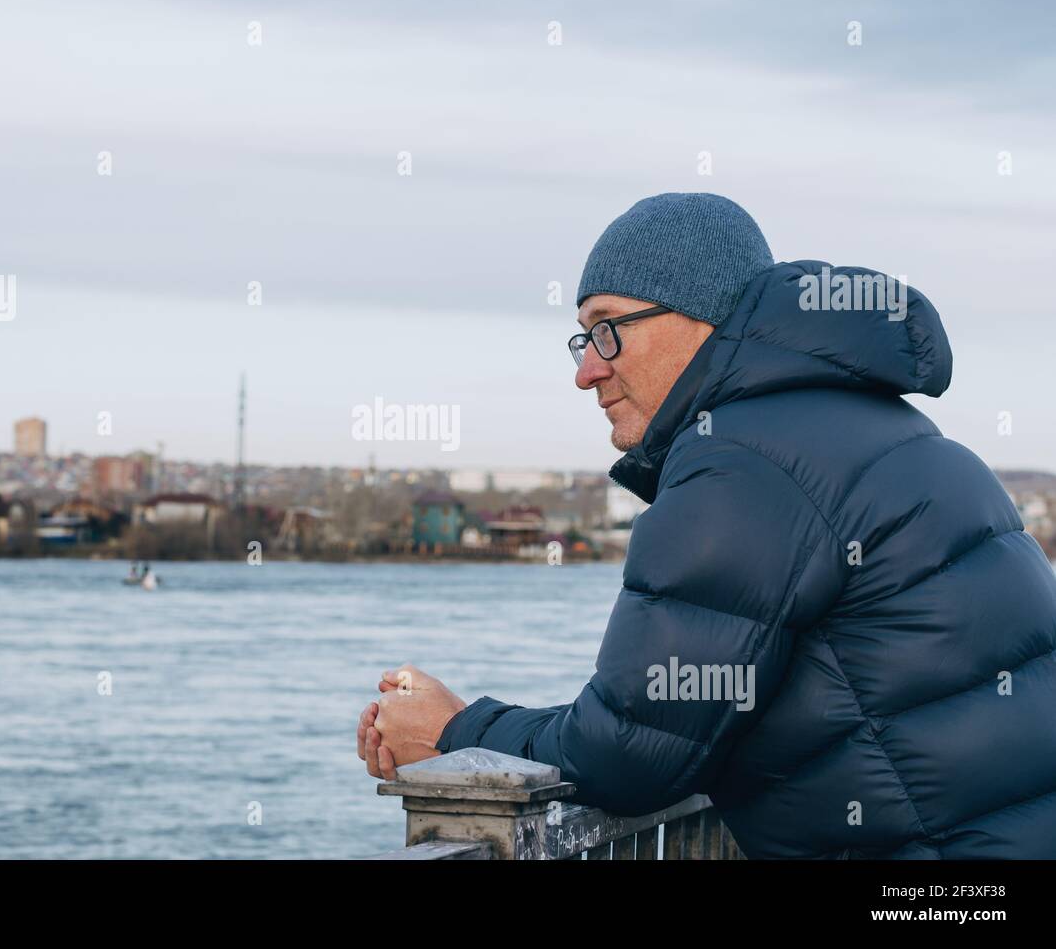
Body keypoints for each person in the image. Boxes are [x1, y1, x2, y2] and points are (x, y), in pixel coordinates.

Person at [356, 192, 1056, 858]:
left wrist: (454, 730)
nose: (587, 371)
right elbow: (670, 712)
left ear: (700, 319)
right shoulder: (878, 432)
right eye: (581, 339)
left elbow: (628, 754)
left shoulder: (741, 463)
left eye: (608, 329)